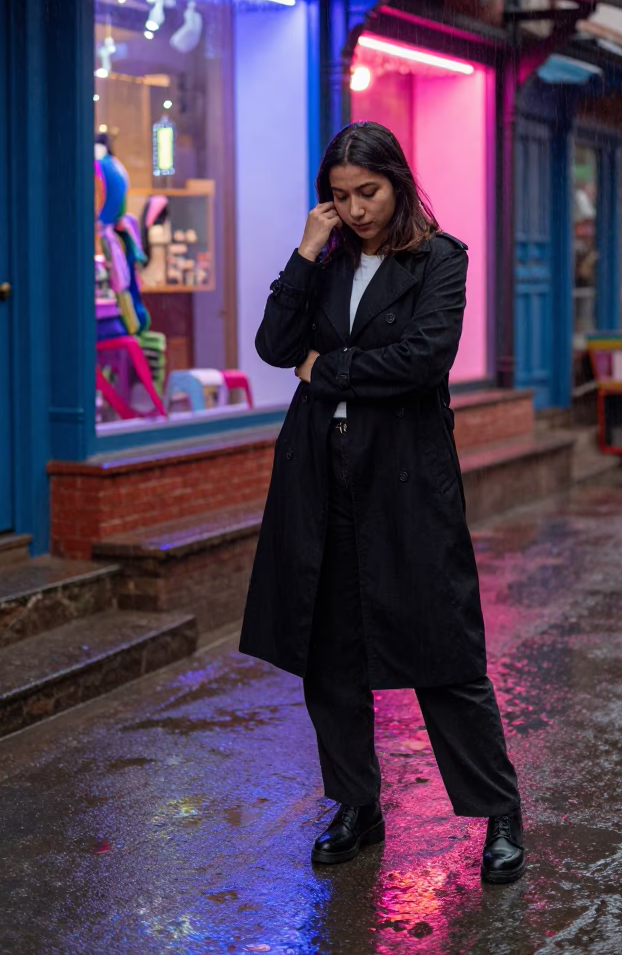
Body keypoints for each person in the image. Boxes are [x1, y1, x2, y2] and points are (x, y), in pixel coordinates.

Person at [239, 121, 524, 884]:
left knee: (443, 652)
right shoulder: (325, 263)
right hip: (319, 477)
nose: (356, 208)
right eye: (339, 196)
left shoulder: (440, 259)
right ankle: (357, 803)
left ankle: (499, 811)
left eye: (367, 191)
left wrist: (326, 368)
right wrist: (304, 251)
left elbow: (424, 359)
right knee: (328, 653)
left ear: (397, 182)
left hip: (403, 480)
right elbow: (273, 344)